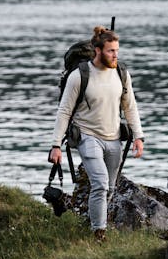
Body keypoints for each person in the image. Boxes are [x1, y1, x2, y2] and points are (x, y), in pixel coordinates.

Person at [49, 26, 144, 240]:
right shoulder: (79, 76)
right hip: (87, 136)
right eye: (111, 51)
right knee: (100, 183)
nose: (115, 55)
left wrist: (138, 136)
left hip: (114, 139)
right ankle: (99, 233)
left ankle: (91, 219)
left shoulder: (121, 73)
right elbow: (64, 111)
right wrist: (56, 145)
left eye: (117, 50)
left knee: (109, 188)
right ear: (97, 50)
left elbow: (130, 106)